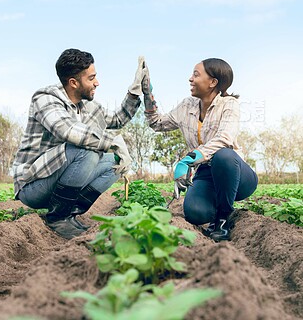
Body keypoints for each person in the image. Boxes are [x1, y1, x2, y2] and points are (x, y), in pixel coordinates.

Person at [13, 48, 145, 239]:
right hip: (33, 185)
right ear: (73, 82)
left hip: (58, 180)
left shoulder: (87, 106)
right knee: (88, 150)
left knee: (114, 163)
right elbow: (67, 131)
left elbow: (117, 119)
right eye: (91, 78)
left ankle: (69, 214)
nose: (97, 83)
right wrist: (112, 141)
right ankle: (57, 217)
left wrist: (134, 92)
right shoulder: (45, 98)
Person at [142, 58, 258, 241]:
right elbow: (157, 123)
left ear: (213, 82)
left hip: (235, 172)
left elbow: (224, 139)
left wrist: (188, 160)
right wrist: (148, 95)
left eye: (196, 74)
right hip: (206, 172)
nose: (190, 79)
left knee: (224, 156)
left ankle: (222, 218)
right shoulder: (187, 105)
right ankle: (215, 207)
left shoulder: (229, 104)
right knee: (195, 213)